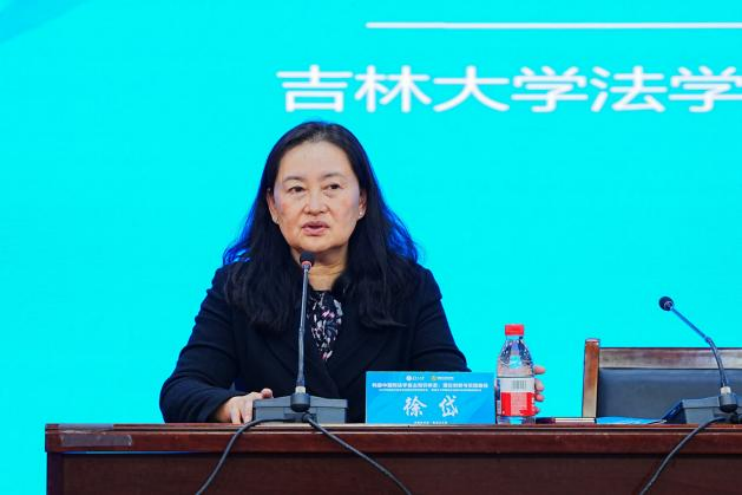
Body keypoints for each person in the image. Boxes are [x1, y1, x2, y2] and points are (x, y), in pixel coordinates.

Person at [160, 121, 545, 424]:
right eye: (295, 190)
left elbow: (446, 387)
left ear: (361, 202)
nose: (314, 205)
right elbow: (180, 391)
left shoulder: (408, 286)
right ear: (273, 207)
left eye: (332, 187)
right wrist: (230, 405)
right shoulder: (238, 288)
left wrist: (493, 398)